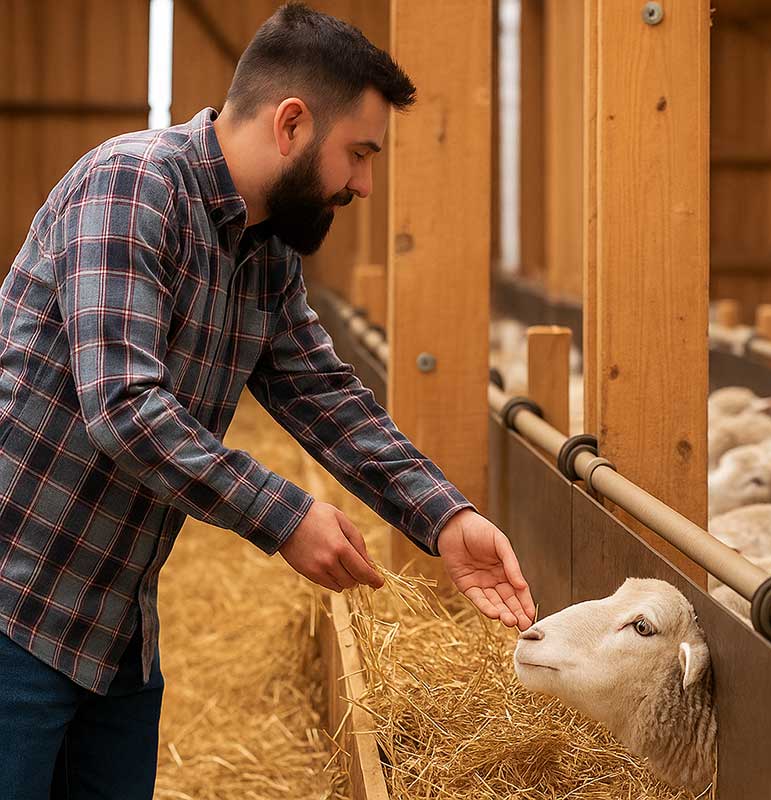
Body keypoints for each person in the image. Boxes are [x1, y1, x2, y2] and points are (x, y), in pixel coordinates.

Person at [0, 4, 535, 798]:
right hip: (17, 609)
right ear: (291, 124)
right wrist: (284, 515)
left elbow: (323, 394)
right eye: (358, 153)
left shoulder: (263, 250)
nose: (363, 183)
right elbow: (121, 404)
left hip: (113, 628)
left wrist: (444, 517)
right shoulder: (133, 184)